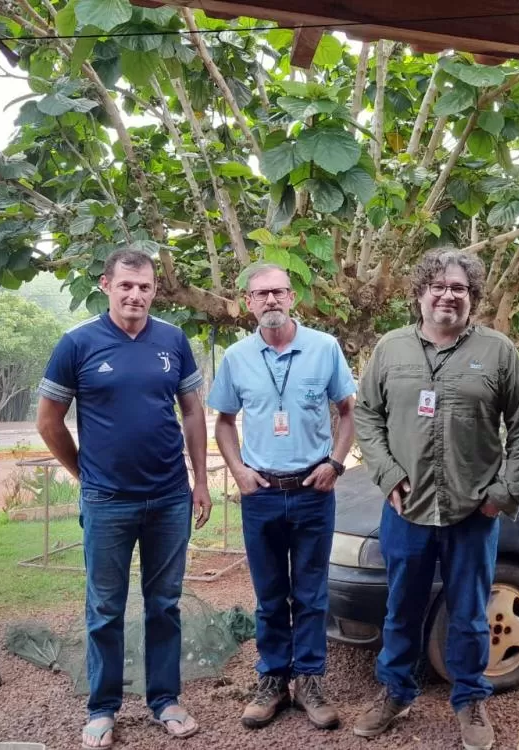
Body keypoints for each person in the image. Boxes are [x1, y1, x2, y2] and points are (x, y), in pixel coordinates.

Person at [353, 249, 519, 750]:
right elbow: (367, 416)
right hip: (406, 510)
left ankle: (470, 698)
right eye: (437, 285)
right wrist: (388, 474)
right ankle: (395, 692)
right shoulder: (390, 350)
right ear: (419, 293)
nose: (447, 295)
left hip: (472, 513)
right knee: (401, 609)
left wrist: (503, 493)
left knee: (470, 612)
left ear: (472, 298)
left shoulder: (498, 352)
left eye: (459, 288)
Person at [36, 248, 212, 750]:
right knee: (106, 608)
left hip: (169, 499)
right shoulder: (77, 343)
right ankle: (103, 708)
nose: (136, 295)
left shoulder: (173, 340)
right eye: (126, 286)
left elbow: (193, 414)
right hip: (108, 502)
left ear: (155, 290)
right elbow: (49, 421)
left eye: (146, 287)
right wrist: (84, 473)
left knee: (164, 604)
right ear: (106, 285)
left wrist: (199, 480)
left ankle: (165, 701)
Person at [207, 262, 357, 731]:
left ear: (292, 297)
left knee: (311, 595)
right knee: (270, 596)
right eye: (260, 294)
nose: (270, 300)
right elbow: (225, 422)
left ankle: (309, 681)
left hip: (313, 492)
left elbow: (348, 412)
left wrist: (335, 463)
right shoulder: (236, 358)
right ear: (247, 303)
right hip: (262, 495)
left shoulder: (324, 348)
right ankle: (272, 680)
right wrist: (238, 470)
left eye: (278, 292)